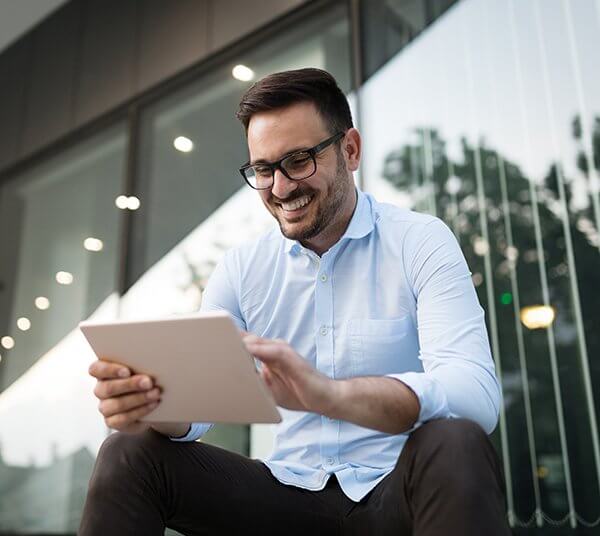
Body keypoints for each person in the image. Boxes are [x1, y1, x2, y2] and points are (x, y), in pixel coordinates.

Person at [80, 68, 511, 535]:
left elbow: (475, 398)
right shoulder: (242, 269)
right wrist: (151, 403)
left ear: (350, 150)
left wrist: (333, 395)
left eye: (299, 160)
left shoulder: (419, 241)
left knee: (455, 440)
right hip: (284, 498)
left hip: (396, 496)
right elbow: (195, 413)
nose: (281, 188)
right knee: (129, 449)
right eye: (263, 170)